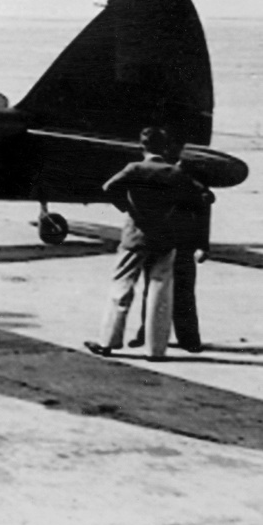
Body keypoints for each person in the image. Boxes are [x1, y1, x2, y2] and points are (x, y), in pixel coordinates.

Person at [86, 126, 211, 361]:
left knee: (121, 287)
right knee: (160, 291)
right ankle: (156, 349)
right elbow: (199, 197)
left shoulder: (134, 169)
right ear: (164, 147)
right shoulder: (174, 173)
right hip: (165, 237)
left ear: (141, 146)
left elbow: (108, 188)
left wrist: (128, 207)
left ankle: (108, 342)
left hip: (135, 236)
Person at [130, 138, 214, 354]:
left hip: (173, 242)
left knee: (164, 289)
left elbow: (204, 211)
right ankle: (179, 338)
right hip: (169, 241)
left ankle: (179, 338)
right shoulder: (179, 177)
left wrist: (203, 245)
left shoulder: (187, 180)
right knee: (167, 290)